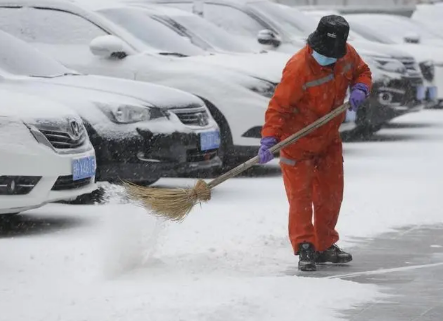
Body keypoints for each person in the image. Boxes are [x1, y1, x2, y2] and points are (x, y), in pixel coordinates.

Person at [258, 15, 372, 272]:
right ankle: (305, 247)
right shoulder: (298, 67)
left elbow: (362, 72)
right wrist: (269, 139)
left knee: (331, 196)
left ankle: (324, 245)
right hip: (297, 141)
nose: (328, 57)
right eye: (324, 53)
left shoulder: (346, 55)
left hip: (329, 139)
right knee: (301, 197)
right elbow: (279, 107)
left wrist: (361, 88)